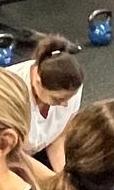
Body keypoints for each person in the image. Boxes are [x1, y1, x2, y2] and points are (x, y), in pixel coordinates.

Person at [19, 31, 84, 171]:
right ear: (37, 82)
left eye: (69, 98)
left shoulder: (71, 86)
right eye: (57, 99)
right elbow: (11, 157)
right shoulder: (11, 94)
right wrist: (48, 183)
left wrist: (62, 179)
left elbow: (58, 138)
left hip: (32, 153)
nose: (65, 104)